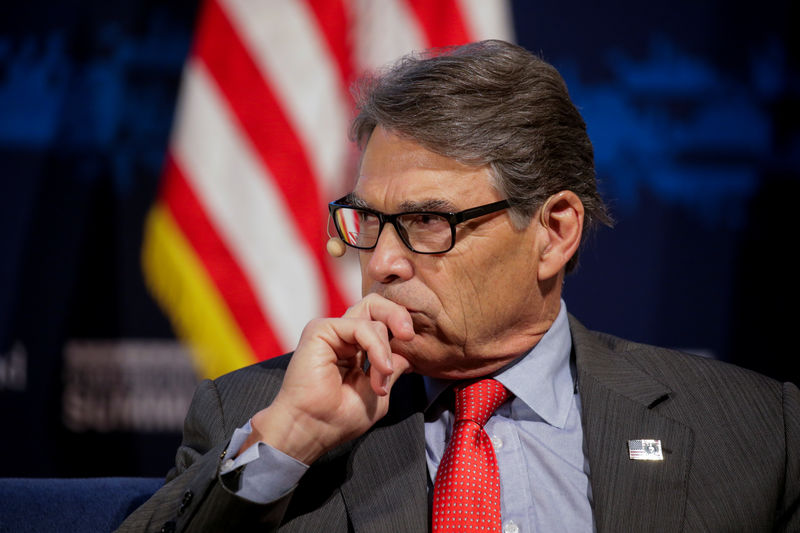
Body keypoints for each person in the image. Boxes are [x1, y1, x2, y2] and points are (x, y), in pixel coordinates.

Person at [118, 40, 799, 532]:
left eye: (426, 220)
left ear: (555, 231)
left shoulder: (753, 432)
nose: (381, 261)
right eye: (369, 222)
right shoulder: (258, 416)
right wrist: (293, 436)